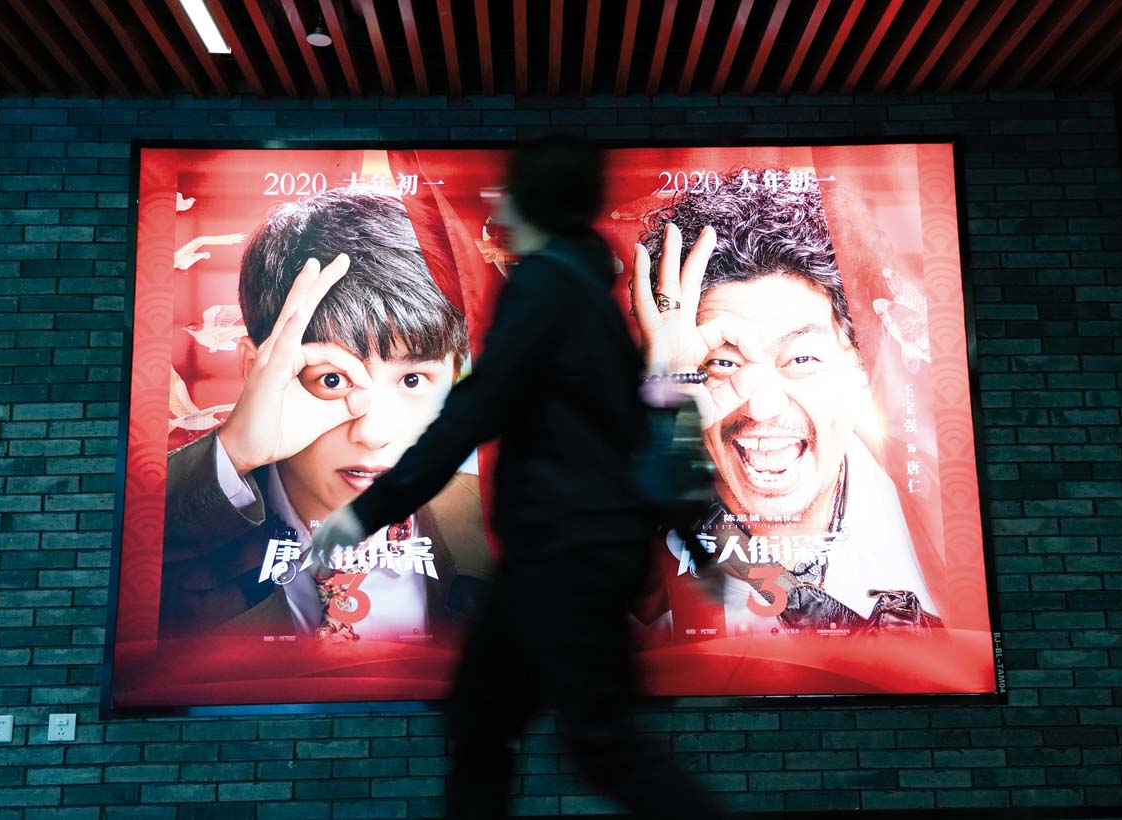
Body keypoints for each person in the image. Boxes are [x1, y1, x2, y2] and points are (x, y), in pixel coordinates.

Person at [315, 138, 728, 820]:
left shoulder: (545, 287)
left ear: (533, 201)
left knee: (585, 742)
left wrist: (367, 511)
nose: (498, 203)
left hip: (562, 554)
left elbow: (474, 410)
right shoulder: (587, 292)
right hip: (579, 552)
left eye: (509, 190)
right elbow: (635, 428)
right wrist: (693, 540)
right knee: (495, 725)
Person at [160, 188, 491, 642]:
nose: (374, 433)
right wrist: (233, 451)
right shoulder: (182, 530)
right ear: (255, 369)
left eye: (413, 380)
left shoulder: (500, 520)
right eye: (333, 380)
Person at [631, 170, 941, 640]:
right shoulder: (637, 569)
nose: (761, 406)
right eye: (722, 363)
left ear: (862, 369)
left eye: (801, 359)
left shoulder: (939, 522)